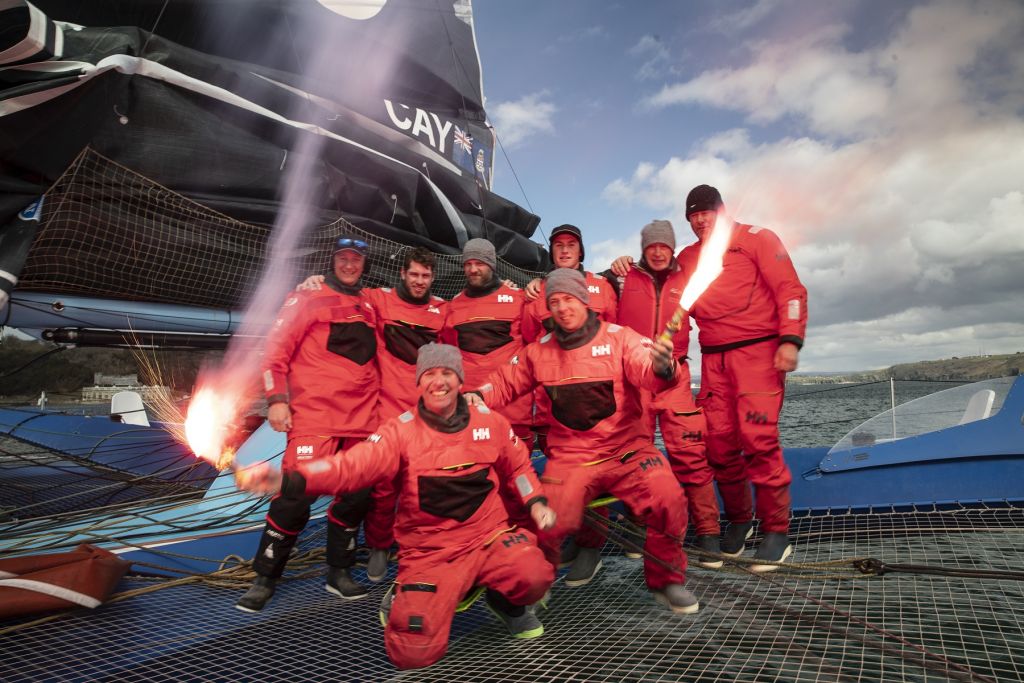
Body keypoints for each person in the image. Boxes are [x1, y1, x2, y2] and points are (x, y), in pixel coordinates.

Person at [235, 343, 556, 670]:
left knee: (534, 573)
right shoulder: (399, 431)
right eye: (429, 374)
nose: (439, 382)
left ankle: (505, 603)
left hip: (487, 537)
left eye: (447, 373)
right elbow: (349, 466)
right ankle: (410, 593)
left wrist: (536, 500)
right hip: (431, 552)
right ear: (418, 383)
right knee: (411, 652)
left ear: (461, 381)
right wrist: (286, 481)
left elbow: (518, 468)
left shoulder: (491, 422)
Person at [473, 268, 699, 614]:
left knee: (668, 498)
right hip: (572, 457)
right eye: (555, 301)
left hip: (627, 452)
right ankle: (538, 585)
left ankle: (667, 580)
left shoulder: (621, 337)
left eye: (569, 299)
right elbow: (503, 383)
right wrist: (477, 395)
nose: (563, 308)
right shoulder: (538, 352)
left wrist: (664, 368)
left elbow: (648, 372)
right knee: (546, 517)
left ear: (584, 299)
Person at [611, 185, 808, 572]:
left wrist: (791, 339)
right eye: (693, 215)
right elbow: (659, 280)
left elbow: (791, 288)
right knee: (717, 446)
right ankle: (739, 522)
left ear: (721, 212)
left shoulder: (758, 239)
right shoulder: (687, 257)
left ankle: (776, 532)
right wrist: (624, 266)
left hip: (759, 353)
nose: (700, 220)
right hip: (714, 359)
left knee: (758, 440)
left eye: (706, 213)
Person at [236, 236, 384, 612]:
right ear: (333, 261)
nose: (349, 265)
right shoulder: (305, 297)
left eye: (356, 260)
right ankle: (265, 577)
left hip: (362, 422)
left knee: (356, 498)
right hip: (315, 419)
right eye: (343, 259)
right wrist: (276, 401)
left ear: (364, 264)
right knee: (294, 497)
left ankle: (339, 573)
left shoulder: (370, 303)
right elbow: (274, 350)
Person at [295, 246, 448, 581]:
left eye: (425, 276)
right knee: (382, 490)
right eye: (413, 274)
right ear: (403, 274)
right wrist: (315, 282)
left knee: (423, 486)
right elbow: (342, 290)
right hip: (386, 414)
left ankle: (416, 548)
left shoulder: (442, 311)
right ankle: (379, 546)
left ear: (432, 278)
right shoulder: (378, 300)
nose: (419, 281)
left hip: (426, 416)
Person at [613, 220, 721, 569]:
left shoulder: (688, 280)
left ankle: (708, 532)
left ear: (672, 249)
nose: (658, 251)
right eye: (652, 246)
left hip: (675, 375)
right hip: (634, 377)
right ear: (643, 248)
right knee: (632, 453)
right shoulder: (619, 276)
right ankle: (637, 523)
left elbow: (719, 318)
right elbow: (585, 302)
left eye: (664, 246)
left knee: (690, 454)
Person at [521, 224, 624, 585]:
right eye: (559, 245)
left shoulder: (603, 288)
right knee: (562, 476)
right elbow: (529, 344)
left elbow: (617, 340)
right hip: (553, 403)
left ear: (581, 251)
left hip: (595, 401)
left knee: (597, 473)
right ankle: (571, 537)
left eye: (571, 245)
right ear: (552, 252)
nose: (565, 250)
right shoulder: (536, 294)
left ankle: (591, 547)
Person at [441, 238, 532, 441]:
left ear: (491, 264)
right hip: (471, 406)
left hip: (513, 410)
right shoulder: (453, 306)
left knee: (517, 471)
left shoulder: (518, 298)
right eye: (468, 264)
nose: (473, 269)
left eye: (479, 263)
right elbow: (449, 349)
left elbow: (534, 346)